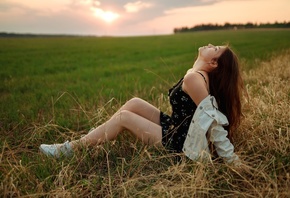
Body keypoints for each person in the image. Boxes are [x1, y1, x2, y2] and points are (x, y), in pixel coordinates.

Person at [40, 44, 243, 164]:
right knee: (135, 103)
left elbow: (213, 122)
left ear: (214, 63)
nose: (209, 44)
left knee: (124, 118)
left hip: (180, 144)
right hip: (175, 127)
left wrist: (232, 160)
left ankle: (68, 149)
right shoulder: (196, 75)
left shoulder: (195, 79)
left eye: (214, 48)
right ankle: (93, 137)